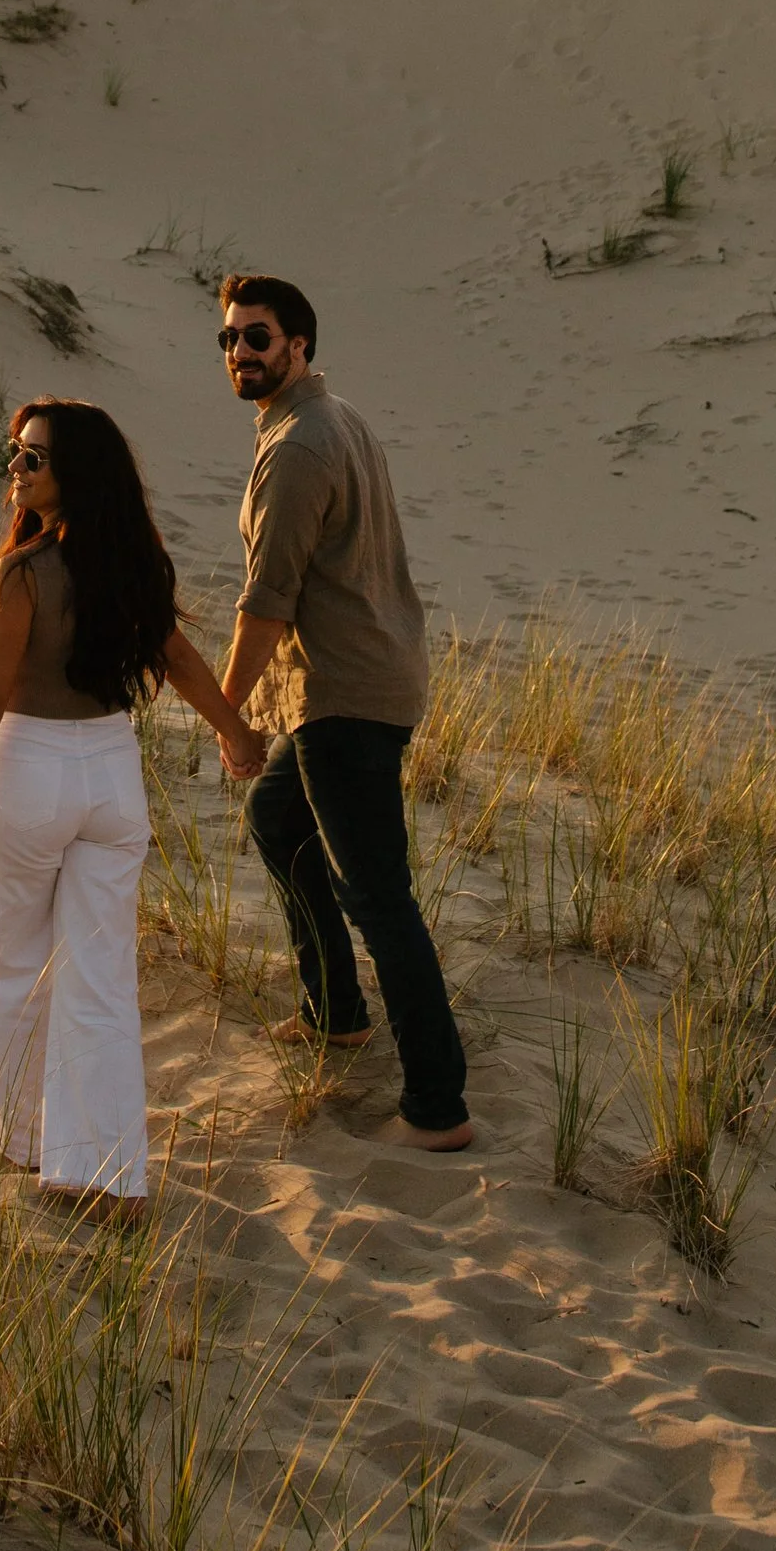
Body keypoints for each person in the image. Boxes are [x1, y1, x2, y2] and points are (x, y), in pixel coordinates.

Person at [0, 399, 261, 1208]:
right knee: (99, 978)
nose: (17, 468)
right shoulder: (133, 564)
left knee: (15, 963)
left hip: (31, 772)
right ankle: (108, 1173)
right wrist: (235, 733)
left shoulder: (25, 574)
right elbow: (176, 657)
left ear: (74, 473)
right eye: (17, 453)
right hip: (110, 775)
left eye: (34, 458)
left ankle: (31, 1144)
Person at [214, 273, 473, 1153]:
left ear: (300, 346)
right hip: (366, 679)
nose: (240, 353)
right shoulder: (330, 420)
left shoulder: (298, 448)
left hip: (344, 694)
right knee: (277, 815)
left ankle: (438, 1109)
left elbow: (267, 604)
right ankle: (335, 1012)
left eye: (258, 338)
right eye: (230, 339)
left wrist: (224, 711)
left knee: (378, 896)